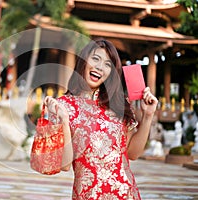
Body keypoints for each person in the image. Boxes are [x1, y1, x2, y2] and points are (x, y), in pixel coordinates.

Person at [44, 38, 158, 199]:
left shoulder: (118, 104)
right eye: (95, 59)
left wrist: (147, 116)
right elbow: (64, 165)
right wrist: (63, 121)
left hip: (125, 194)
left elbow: (132, 153)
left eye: (108, 64)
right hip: (88, 195)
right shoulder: (63, 106)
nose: (100, 67)